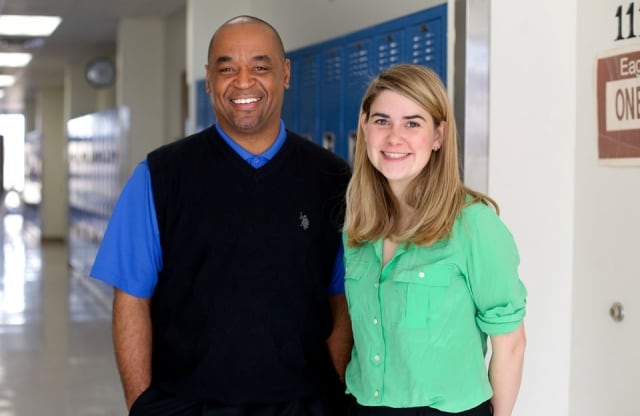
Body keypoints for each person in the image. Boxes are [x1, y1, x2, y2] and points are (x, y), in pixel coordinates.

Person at [90, 15, 352, 415]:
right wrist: (143, 405)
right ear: (209, 80)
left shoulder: (331, 178)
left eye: (260, 67)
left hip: (304, 404)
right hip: (188, 403)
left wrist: (327, 390)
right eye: (227, 68)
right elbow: (130, 298)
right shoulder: (160, 176)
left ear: (285, 73)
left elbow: (344, 301)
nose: (243, 82)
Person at [342, 63, 527, 416]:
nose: (394, 137)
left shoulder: (474, 224)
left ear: (439, 136)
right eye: (382, 121)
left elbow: (511, 345)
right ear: (364, 128)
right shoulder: (357, 226)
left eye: (413, 123)